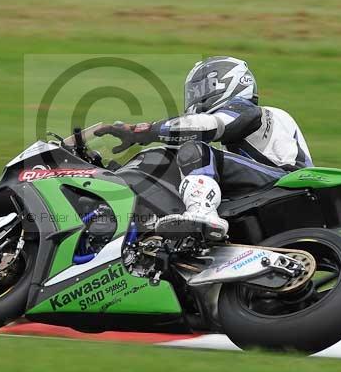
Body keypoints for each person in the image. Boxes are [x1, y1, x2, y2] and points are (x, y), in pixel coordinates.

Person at [94, 56, 312, 240]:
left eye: (201, 89)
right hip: (272, 188)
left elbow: (207, 127)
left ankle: (201, 213)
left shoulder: (250, 111)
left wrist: (146, 131)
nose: (195, 97)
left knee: (195, 151)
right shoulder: (246, 126)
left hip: (286, 179)